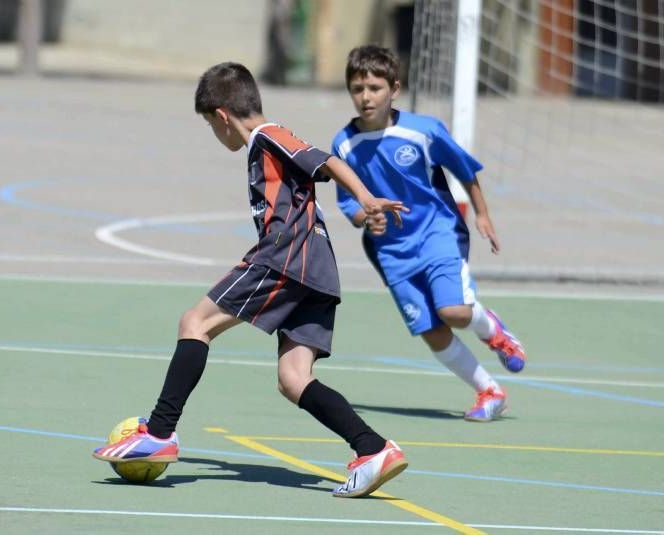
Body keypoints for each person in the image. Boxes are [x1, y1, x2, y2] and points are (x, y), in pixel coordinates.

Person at [93, 62, 411, 498]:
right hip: (317, 269)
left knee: (195, 323)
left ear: (222, 116)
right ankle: (372, 449)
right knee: (292, 377)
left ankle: (160, 432)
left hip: (286, 259)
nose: (214, 132)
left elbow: (328, 160)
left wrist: (365, 196)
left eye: (210, 124)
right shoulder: (267, 144)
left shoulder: (268, 136)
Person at [331, 45, 527, 422]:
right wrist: (365, 217)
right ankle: (490, 391)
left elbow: (464, 169)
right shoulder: (343, 143)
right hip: (390, 251)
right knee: (431, 331)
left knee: (452, 311)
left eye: (374, 87)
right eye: (357, 89)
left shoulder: (423, 131)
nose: (365, 97)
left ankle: (494, 330)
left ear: (395, 89)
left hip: (437, 232)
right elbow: (349, 201)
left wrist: (483, 214)